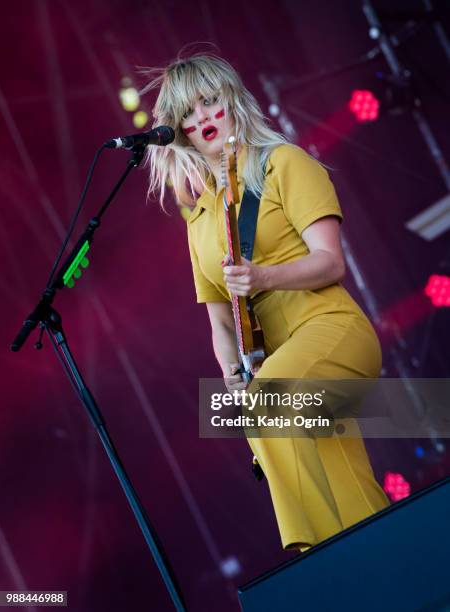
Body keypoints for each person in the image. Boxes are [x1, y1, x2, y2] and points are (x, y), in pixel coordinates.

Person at [142, 54, 390, 553]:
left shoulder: (285, 163)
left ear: (231, 102)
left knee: (267, 404)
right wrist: (232, 373)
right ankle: (399, 573)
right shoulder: (200, 217)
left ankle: (318, 563)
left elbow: (331, 263)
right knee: (352, 494)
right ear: (178, 130)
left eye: (211, 102)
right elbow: (218, 318)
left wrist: (263, 275)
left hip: (332, 330)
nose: (203, 119)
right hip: (277, 361)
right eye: (188, 113)